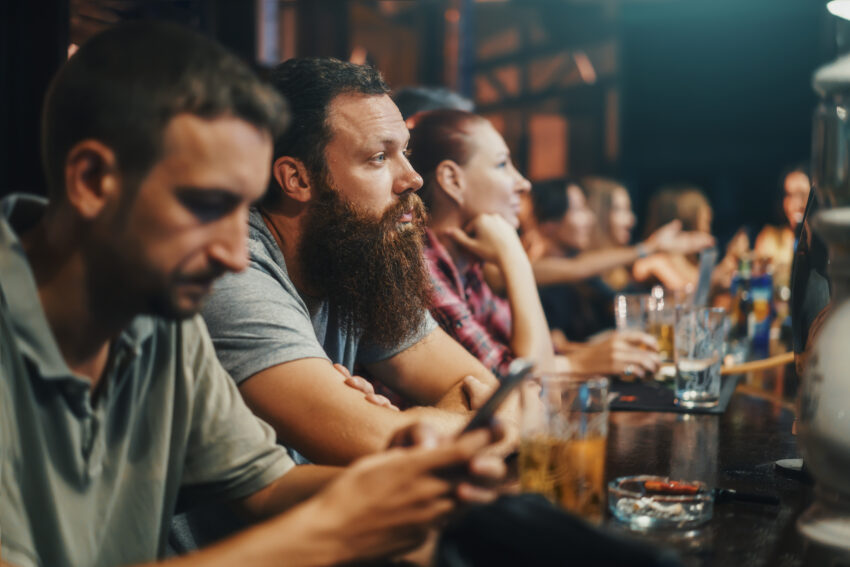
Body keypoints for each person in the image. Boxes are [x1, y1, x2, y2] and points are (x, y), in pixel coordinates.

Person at [0, 22, 504, 567]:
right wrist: (334, 529)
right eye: (208, 205)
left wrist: (401, 484)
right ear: (94, 181)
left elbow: (268, 486)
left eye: (243, 213)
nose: (236, 256)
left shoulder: (164, 317)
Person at [199, 58, 514, 467]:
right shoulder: (233, 272)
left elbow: (500, 397)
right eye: (379, 157)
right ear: (297, 179)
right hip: (259, 532)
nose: (413, 178)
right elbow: (372, 443)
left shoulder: (351, 255)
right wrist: (396, 425)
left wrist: (400, 422)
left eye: (405, 152)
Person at [407, 109, 660, 379]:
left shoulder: (466, 266)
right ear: (452, 180)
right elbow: (516, 380)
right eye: (503, 165)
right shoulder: (421, 267)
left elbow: (541, 354)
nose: (524, 183)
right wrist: (513, 256)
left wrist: (590, 354)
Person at [583, 176, 692, 292]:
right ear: (599, 215)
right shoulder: (586, 270)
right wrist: (651, 248)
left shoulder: (621, 269)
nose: (631, 220)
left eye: (628, 210)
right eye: (620, 210)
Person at [754, 165, 811, 289]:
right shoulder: (769, 237)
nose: (796, 203)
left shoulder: (821, 241)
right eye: (789, 195)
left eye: (801, 194)